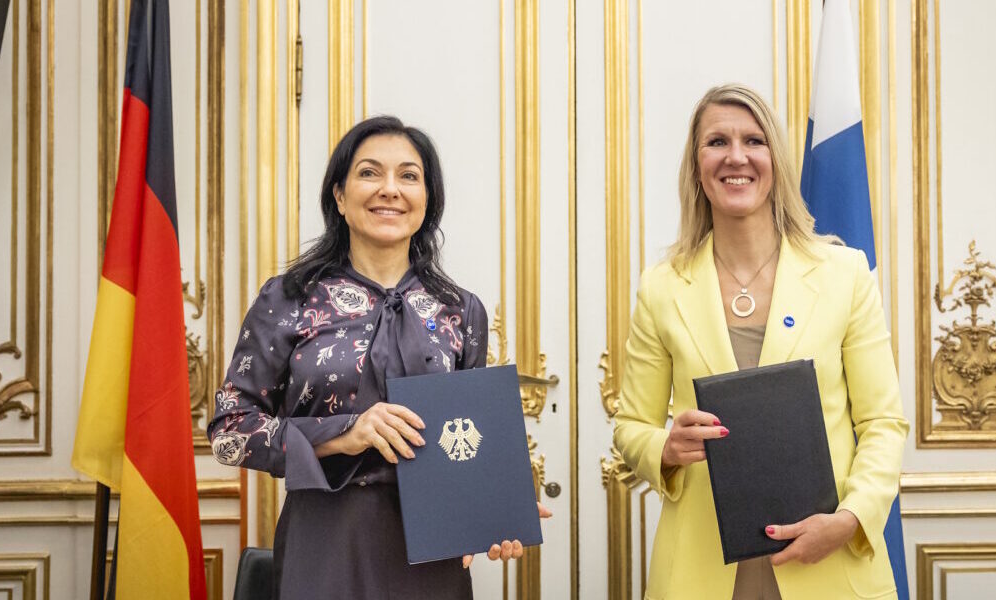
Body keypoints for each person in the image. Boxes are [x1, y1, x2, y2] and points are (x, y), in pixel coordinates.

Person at [208, 116, 544, 599]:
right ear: (340, 197)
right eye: (370, 173)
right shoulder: (288, 298)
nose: (390, 189)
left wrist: (495, 511)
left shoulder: (461, 310)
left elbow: (467, 436)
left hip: (432, 552)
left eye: (409, 176)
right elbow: (229, 433)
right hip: (324, 542)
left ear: (427, 202)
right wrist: (344, 433)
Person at [612, 84, 908, 599]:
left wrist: (851, 519)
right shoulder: (660, 287)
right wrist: (666, 446)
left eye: (754, 140)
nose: (736, 157)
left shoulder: (845, 273)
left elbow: (883, 423)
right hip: (701, 575)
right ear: (696, 165)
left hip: (830, 564)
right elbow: (631, 427)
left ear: (776, 159)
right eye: (717, 142)